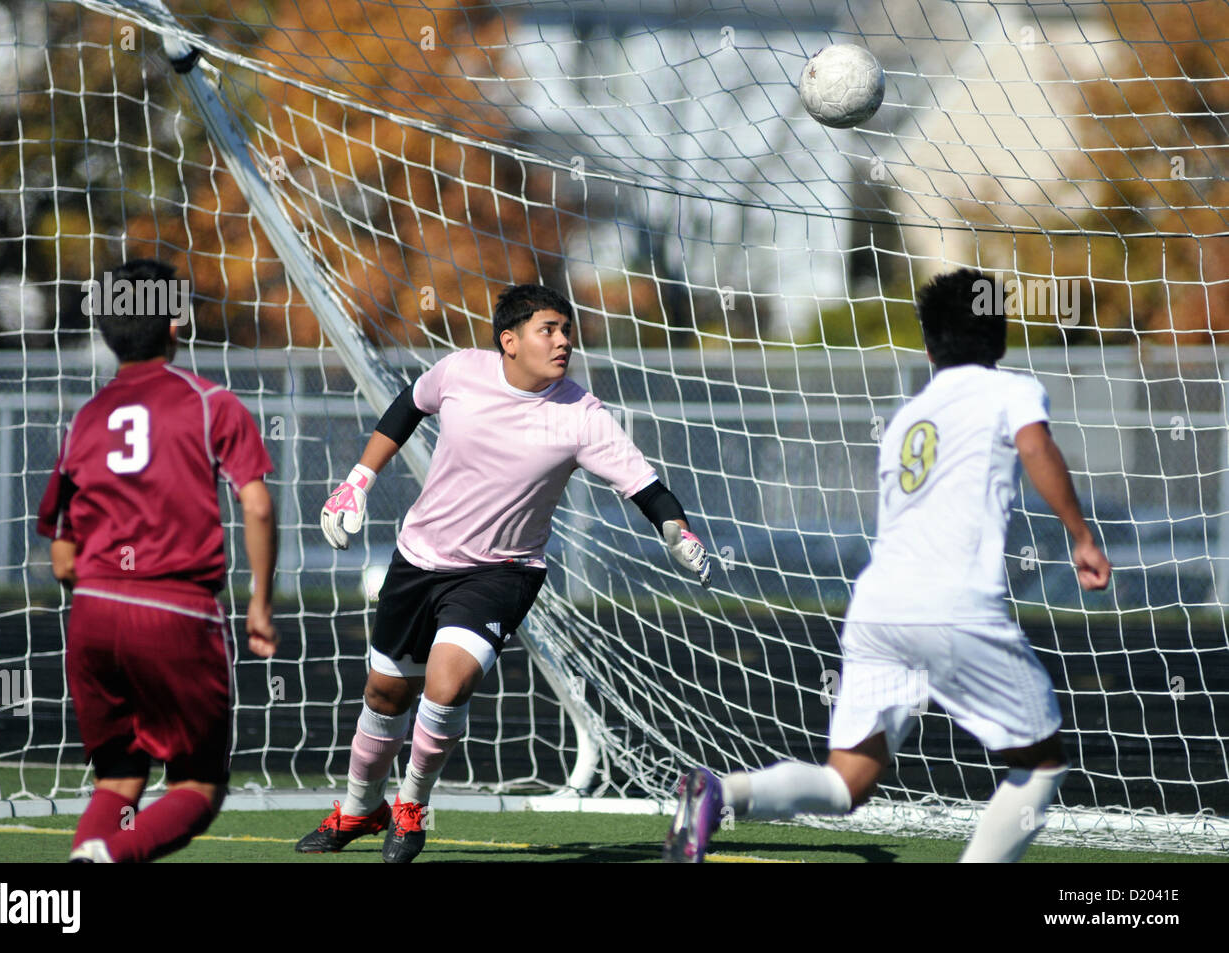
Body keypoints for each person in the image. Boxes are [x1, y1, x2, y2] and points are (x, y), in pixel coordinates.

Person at [664, 268, 1112, 863]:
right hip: (951, 605)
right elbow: (1036, 446)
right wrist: (1081, 535)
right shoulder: (1010, 389)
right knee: (1044, 759)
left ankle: (723, 793)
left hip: (876, 607)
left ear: (928, 347)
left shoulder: (907, 419)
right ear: (1000, 338)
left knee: (847, 783)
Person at [298, 283, 712, 862]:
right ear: (509, 341)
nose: (564, 341)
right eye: (550, 330)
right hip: (419, 559)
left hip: (502, 571)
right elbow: (408, 406)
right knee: (386, 693)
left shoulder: (582, 415)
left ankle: (411, 807)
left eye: (567, 331)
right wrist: (358, 481)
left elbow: (647, 488)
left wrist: (678, 532)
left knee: (448, 684)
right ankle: (358, 810)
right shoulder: (461, 371)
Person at [36, 259, 278, 863]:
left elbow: (62, 556)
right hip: (175, 608)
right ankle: (110, 858)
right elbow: (259, 507)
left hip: (93, 613)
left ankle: (85, 862)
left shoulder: (86, 419)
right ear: (175, 324)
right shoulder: (209, 404)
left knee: (119, 778)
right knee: (197, 782)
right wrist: (260, 606)